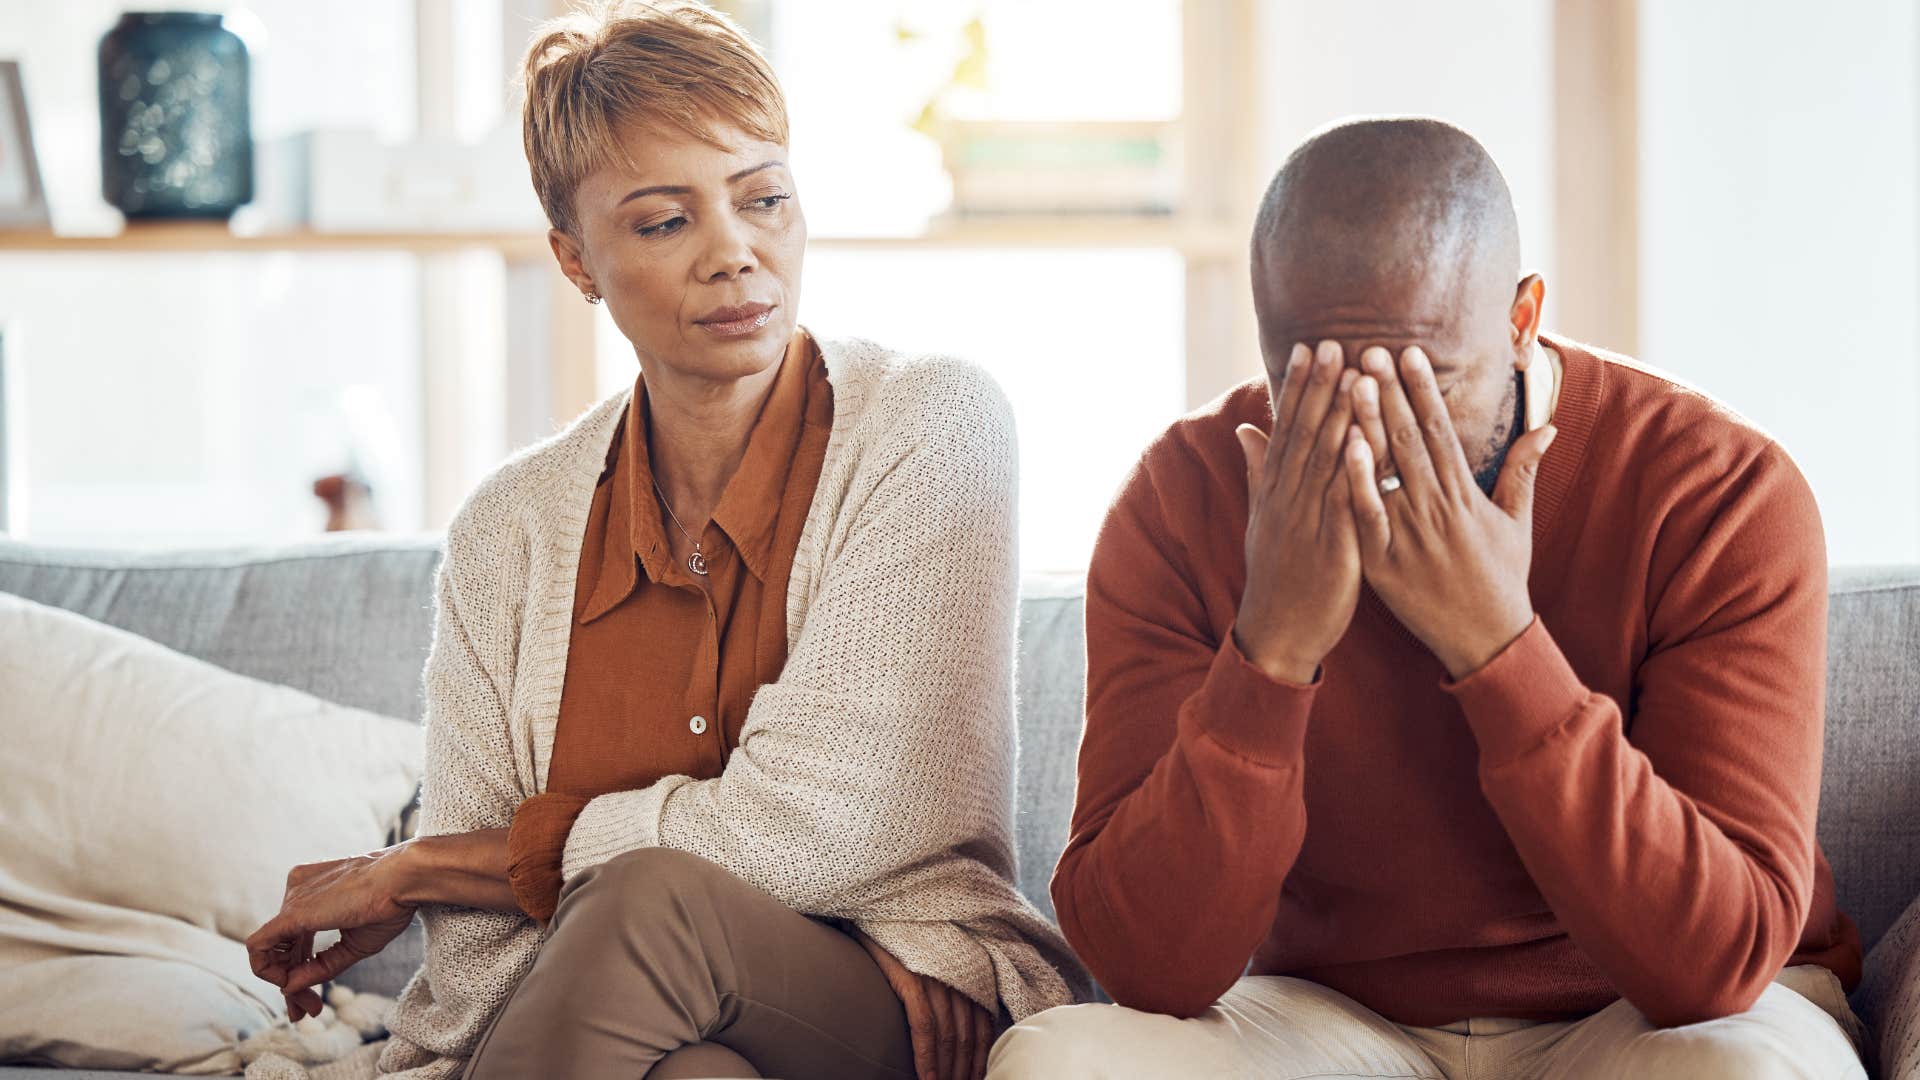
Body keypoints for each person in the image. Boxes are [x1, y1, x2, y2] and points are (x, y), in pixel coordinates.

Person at [243, 3, 1084, 1078]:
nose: (736, 256)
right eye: (662, 222)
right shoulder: (509, 530)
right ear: (575, 258)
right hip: (613, 1027)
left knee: (652, 900)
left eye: (764, 198)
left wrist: (419, 867)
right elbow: (480, 944)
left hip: (884, 1004)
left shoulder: (931, 424)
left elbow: (812, 833)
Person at [988, 117, 1864, 1078]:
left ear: (1521, 319)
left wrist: (1497, 644)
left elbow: (1713, 966)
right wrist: (1271, 649)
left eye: (1425, 381)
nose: (1373, 431)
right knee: (1060, 1061)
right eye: (1312, 380)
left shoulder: (1717, 488)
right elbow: (1148, 965)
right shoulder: (1182, 496)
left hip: (1664, 1019)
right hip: (1329, 1015)